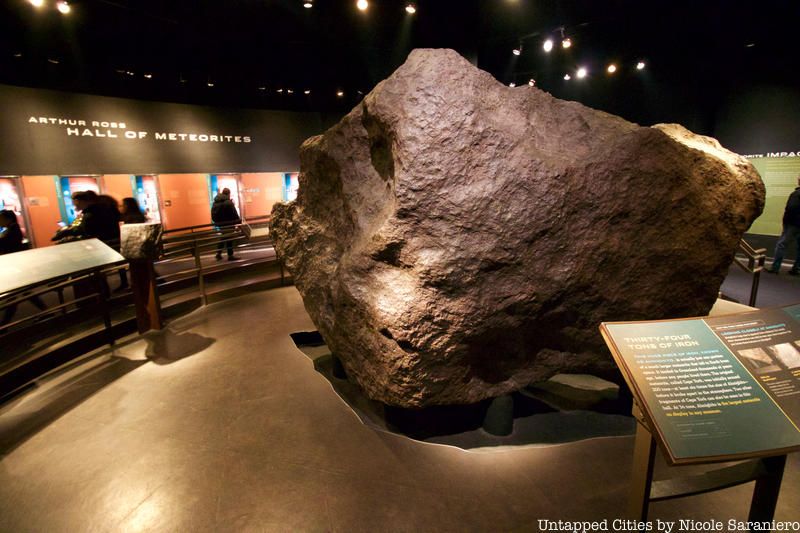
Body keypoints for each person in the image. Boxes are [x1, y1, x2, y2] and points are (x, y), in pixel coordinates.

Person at [0, 210, 47, 326]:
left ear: (8, 219)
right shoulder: (12, 229)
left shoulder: (12, 230)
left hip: (14, 265)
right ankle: (46, 310)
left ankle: (5, 323)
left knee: (17, 293)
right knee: (22, 292)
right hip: (15, 264)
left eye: (1, 218)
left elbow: (6, 245)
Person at [52, 190, 121, 246]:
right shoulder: (87, 212)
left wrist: (67, 233)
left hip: (104, 243)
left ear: (79, 201)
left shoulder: (93, 212)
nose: (74, 205)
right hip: (107, 241)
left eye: (74, 202)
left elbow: (85, 230)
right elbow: (77, 225)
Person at [767, 175, 800, 275]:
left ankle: (775, 267)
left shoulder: (796, 194)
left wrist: (785, 222)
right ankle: (796, 268)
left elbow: (791, 208)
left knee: (782, 244)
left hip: (792, 224)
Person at [211, 187, 241, 261]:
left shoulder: (216, 202)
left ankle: (218, 253)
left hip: (220, 224)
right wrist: (238, 221)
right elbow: (234, 213)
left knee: (224, 236)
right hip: (229, 223)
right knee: (229, 238)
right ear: (228, 194)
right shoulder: (228, 202)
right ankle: (230, 255)